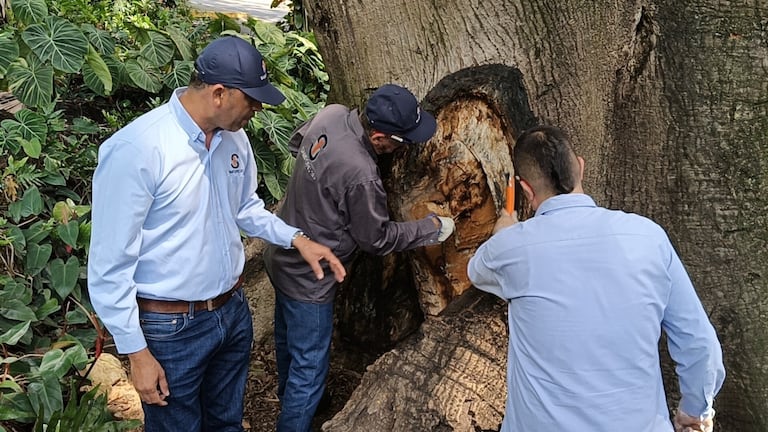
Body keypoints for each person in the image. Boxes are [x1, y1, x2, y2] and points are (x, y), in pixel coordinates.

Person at [87, 36, 346, 432]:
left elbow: (244, 208)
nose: (258, 109)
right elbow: (109, 266)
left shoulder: (233, 139)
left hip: (231, 312)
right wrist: (136, 352)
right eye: (253, 99)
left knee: (226, 422)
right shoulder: (138, 150)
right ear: (220, 93)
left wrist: (297, 239)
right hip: (171, 328)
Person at [467, 125, 725, 432]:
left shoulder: (511, 249)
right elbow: (699, 343)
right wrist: (695, 411)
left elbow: (476, 271)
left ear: (525, 189)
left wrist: (503, 233)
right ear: (580, 167)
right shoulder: (648, 237)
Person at [263, 84, 456, 431]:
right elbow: (377, 239)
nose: (408, 146)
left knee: (288, 342)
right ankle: (294, 420)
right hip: (311, 276)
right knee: (309, 367)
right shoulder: (361, 173)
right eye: (404, 141)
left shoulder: (333, 113)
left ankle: (304, 403)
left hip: (281, 251)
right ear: (380, 137)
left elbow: (297, 145)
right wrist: (429, 228)